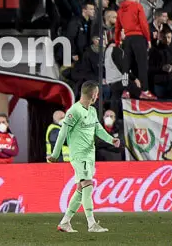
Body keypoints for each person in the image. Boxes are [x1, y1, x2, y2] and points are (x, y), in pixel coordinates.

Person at [49, 81, 119, 233]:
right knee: (88, 184)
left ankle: (65, 222)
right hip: (79, 155)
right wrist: (55, 154)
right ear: (93, 95)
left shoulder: (92, 111)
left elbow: (98, 129)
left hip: (89, 155)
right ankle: (92, 224)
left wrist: (110, 140)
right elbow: (63, 133)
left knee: (81, 188)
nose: (98, 96)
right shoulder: (74, 111)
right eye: (97, 93)